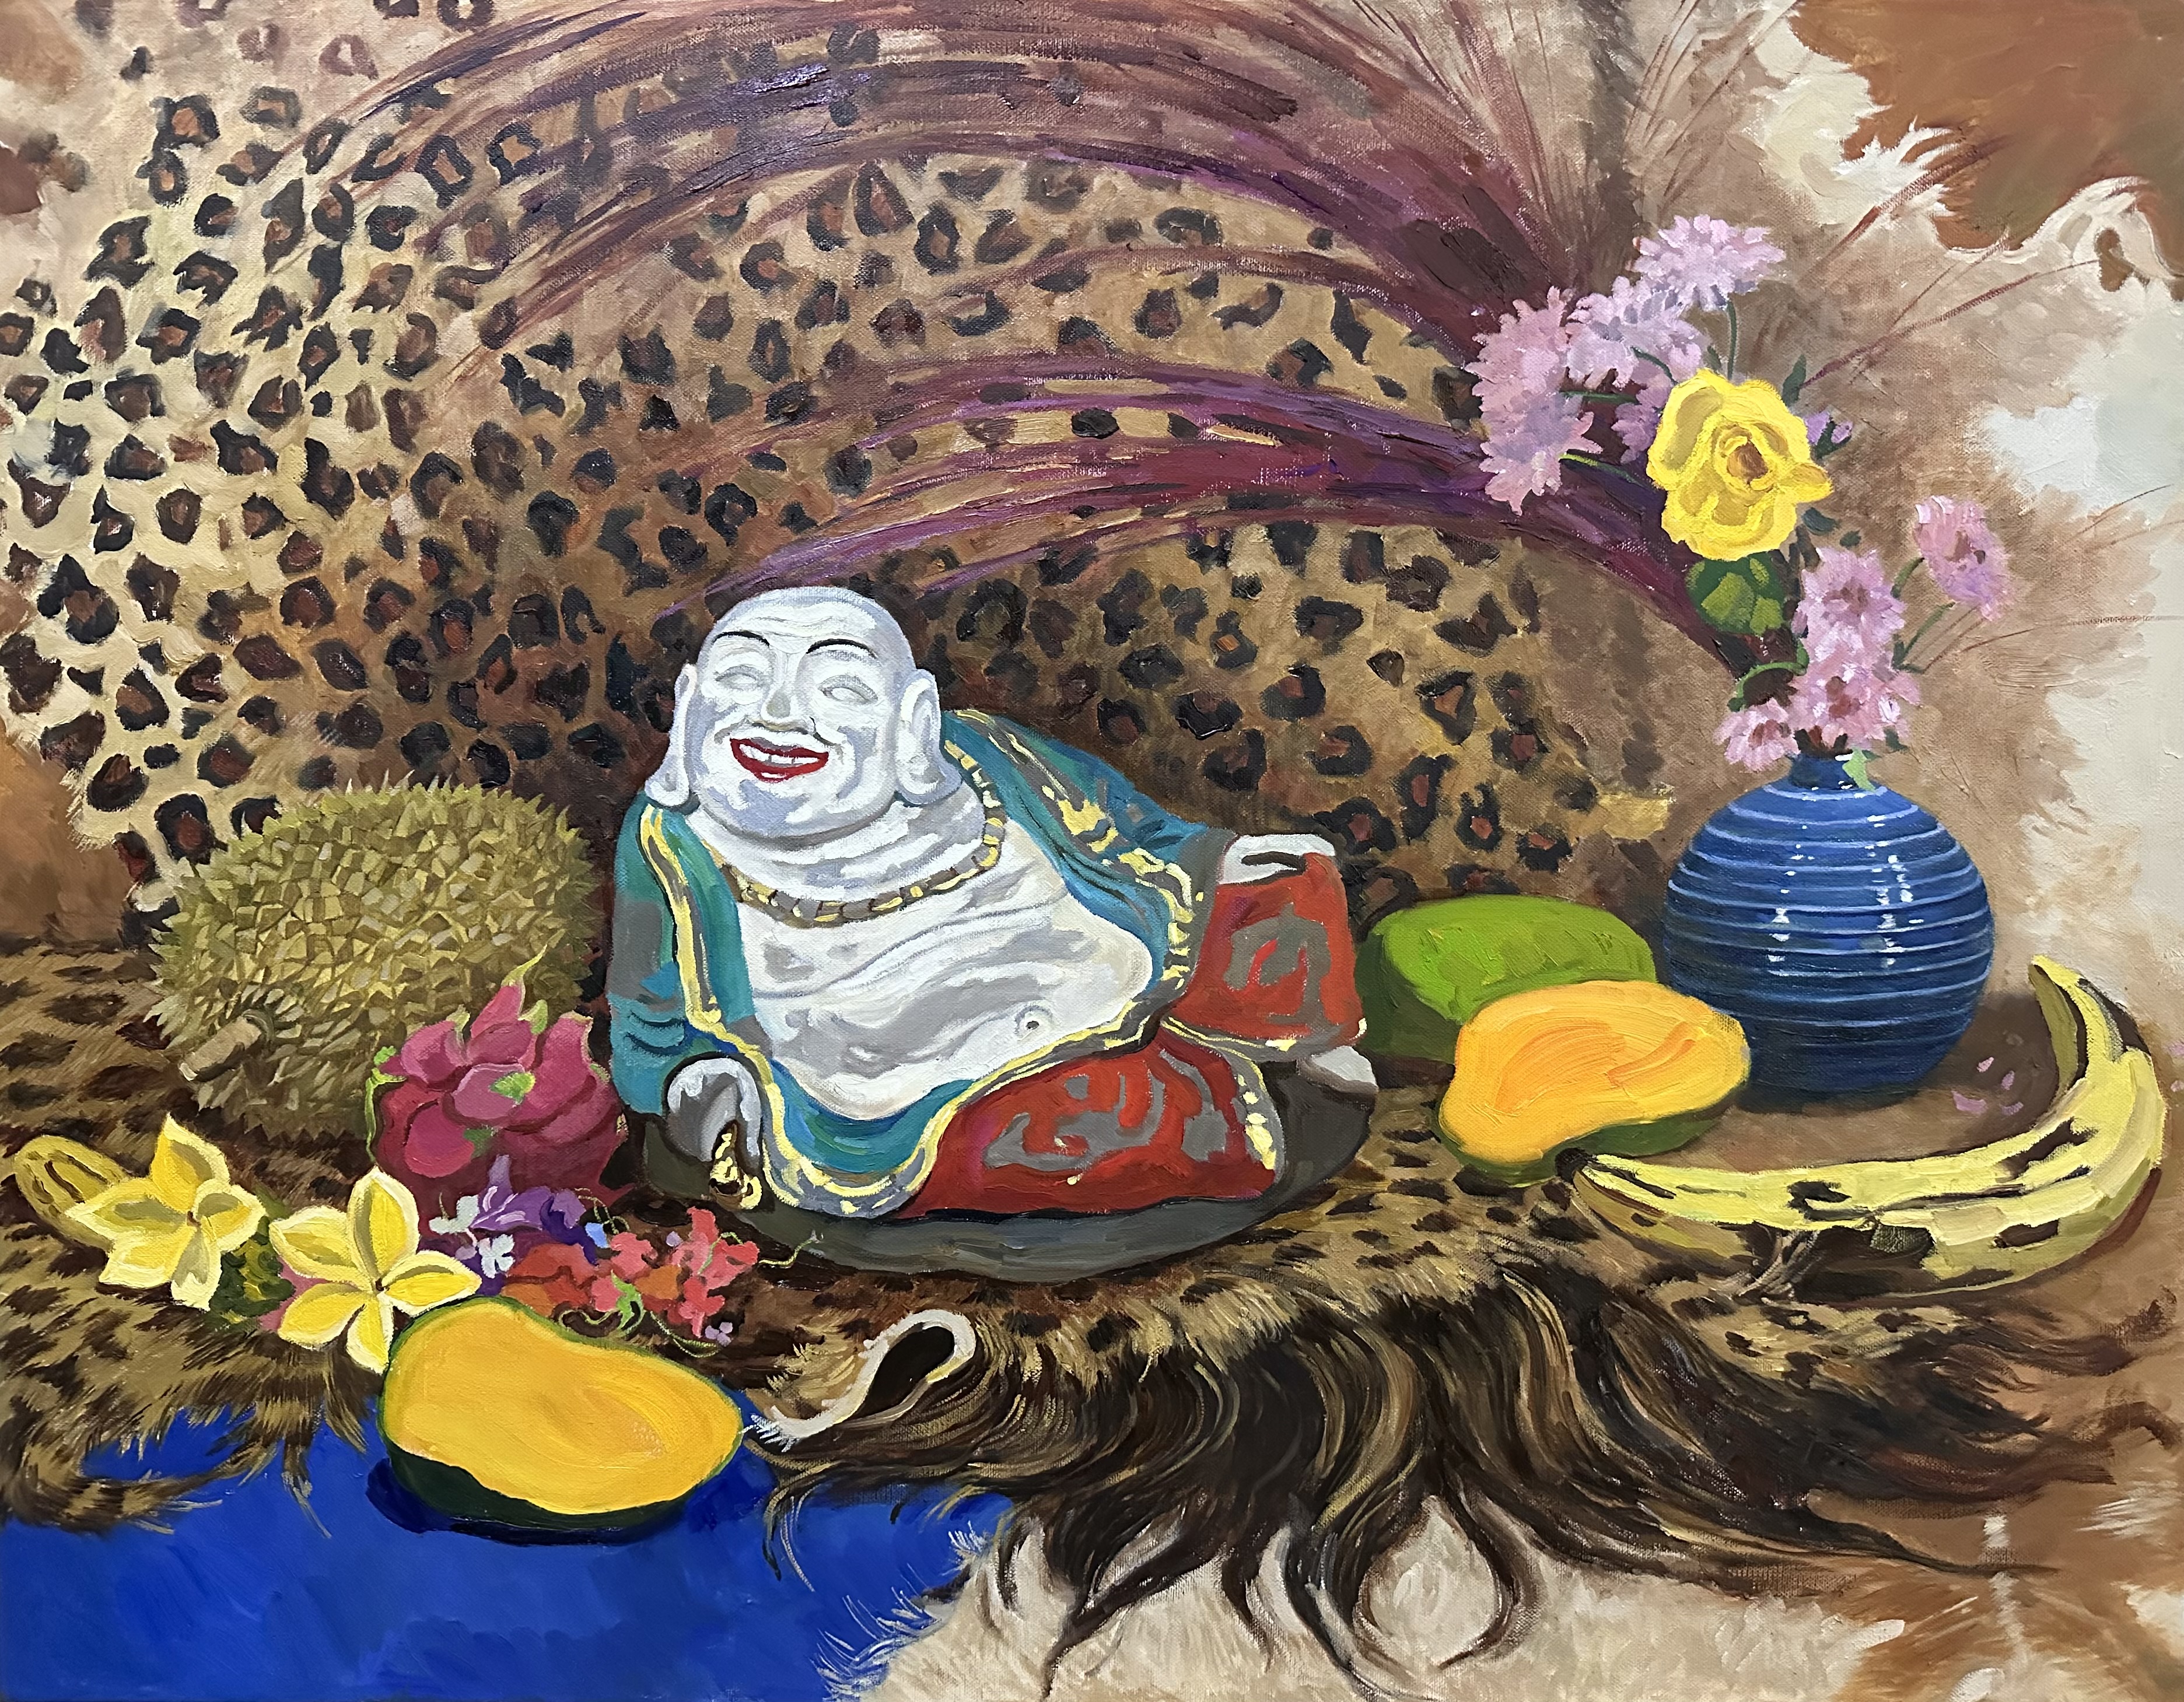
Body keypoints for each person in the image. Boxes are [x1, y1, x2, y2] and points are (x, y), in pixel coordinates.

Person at [608, 586, 1372, 1219]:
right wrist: (698, 1083)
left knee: (1289, 878)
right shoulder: (672, 842)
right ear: (690, 703)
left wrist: (1212, 857)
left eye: (839, 688)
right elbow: (648, 1018)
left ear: (913, 720)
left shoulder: (985, 754)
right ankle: (1227, 1099)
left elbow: (1129, 827)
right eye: (742, 677)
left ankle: (1266, 1051)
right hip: (895, 1066)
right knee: (1047, 1133)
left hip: (1103, 954)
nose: (779, 715)